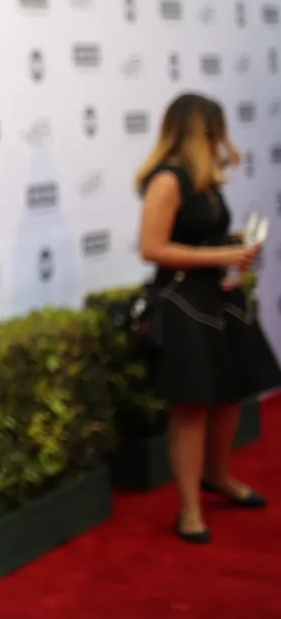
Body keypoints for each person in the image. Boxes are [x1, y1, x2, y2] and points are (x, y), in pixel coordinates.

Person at [136, 92, 281, 544]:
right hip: (183, 303)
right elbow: (153, 248)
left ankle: (217, 476)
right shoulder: (168, 180)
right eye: (216, 129)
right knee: (193, 405)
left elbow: (198, 235)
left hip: (216, 297)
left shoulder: (204, 180)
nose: (224, 138)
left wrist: (234, 250)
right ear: (200, 130)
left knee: (229, 394)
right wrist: (224, 253)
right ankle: (190, 509)